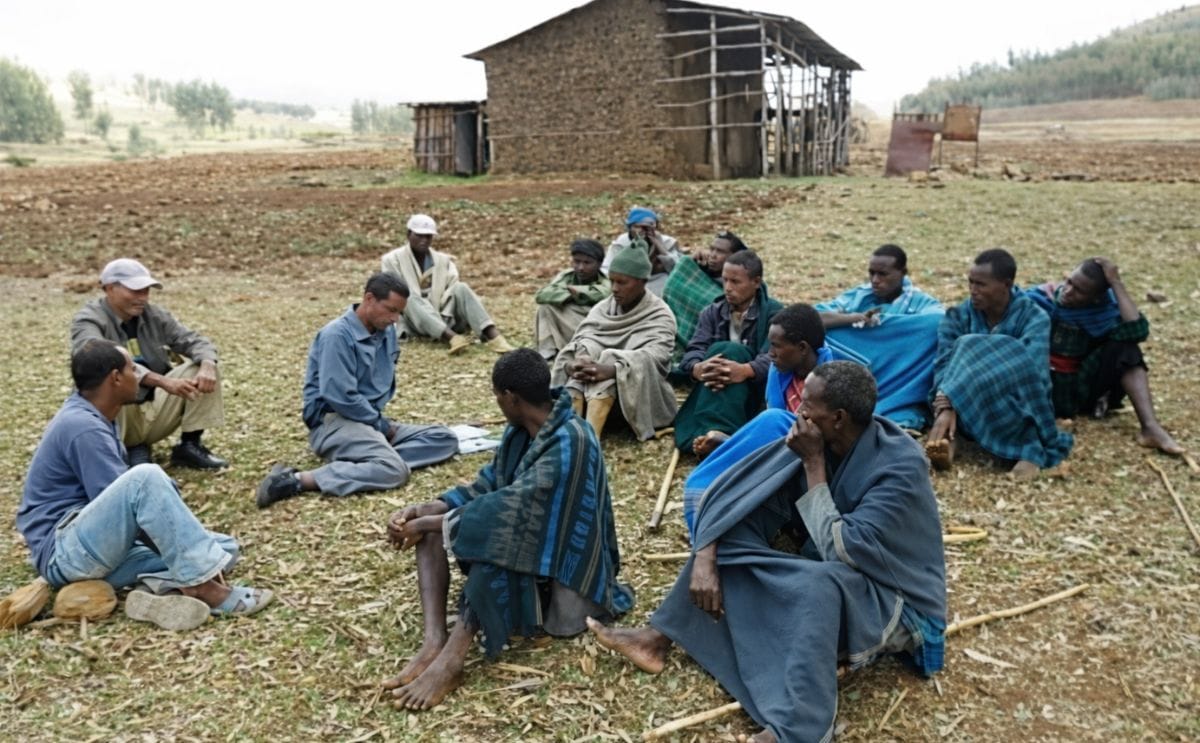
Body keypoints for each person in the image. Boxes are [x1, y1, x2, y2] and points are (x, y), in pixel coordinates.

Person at [589, 362, 946, 743]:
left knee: (821, 586)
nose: (798, 414)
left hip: (895, 598)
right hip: (830, 566)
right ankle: (656, 639)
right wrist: (707, 555)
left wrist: (812, 465)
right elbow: (737, 496)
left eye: (807, 407)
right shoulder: (817, 436)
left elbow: (842, 549)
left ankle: (798, 730)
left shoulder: (900, 467)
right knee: (733, 537)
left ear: (838, 418)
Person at [381, 349, 635, 710]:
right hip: (532, 550)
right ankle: (434, 641)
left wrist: (425, 521)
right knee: (441, 528)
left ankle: (452, 662)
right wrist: (426, 510)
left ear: (511, 398)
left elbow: (511, 512)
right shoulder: (520, 434)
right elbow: (486, 487)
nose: (497, 402)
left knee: (498, 541)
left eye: (497, 396)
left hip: (567, 575)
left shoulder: (573, 439)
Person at [17, 339, 271, 630]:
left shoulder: (95, 413)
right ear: (115, 378)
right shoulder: (82, 427)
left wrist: (185, 547)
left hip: (94, 546)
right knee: (146, 479)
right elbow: (131, 508)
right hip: (66, 551)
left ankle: (158, 589)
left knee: (223, 550)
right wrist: (188, 556)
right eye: (132, 369)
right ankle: (202, 589)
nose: (139, 375)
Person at [256, 273, 458, 507]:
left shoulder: (386, 330)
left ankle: (369, 459)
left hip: (368, 420)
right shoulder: (337, 335)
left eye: (399, 313)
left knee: (445, 438)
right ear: (369, 299)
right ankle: (295, 481)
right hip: (334, 421)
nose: (395, 319)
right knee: (394, 471)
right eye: (390, 310)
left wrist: (377, 424)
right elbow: (341, 396)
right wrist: (380, 425)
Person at [681, 303, 832, 536]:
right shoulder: (779, 370)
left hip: (812, 464)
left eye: (776, 346)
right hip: (783, 452)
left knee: (773, 421)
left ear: (802, 348)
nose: (770, 353)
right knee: (706, 482)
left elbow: (811, 436)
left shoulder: (831, 380)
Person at [927, 248, 1073, 479]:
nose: (973, 291)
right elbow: (943, 362)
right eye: (971, 283)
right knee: (952, 368)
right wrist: (946, 402)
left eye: (981, 285)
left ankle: (1028, 452)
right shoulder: (958, 315)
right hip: (964, 401)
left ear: (1006, 284)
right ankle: (951, 433)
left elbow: (1030, 369)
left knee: (968, 345)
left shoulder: (1034, 318)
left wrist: (960, 386)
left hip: (1012, 398)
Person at [70, 258, 227, 469]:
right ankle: (124, 449)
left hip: (152, 404)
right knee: (110, 378)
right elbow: (100, 358)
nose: (143, 298)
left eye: (146, 290)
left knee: (202, 367)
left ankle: (190, 446)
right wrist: (162, 381)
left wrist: (207, 364)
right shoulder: (88, 320)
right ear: (109, 288)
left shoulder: (153, 315)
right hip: (119, 412)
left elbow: (193, 340)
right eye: (135, 291)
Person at [1027, 257, 1183, 454]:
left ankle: (1150, 428)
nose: (1068, 291)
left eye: (1079, 291)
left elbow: (1137, 330)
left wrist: (1116, 283)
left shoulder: (1104, 312)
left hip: (1082, 390)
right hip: (1042, 389)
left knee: (1127, 349)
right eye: (1069, 282)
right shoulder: (1043, 298)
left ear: (1096, 298)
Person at [552, 247, 677, 439]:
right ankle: (574, 434)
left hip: (640, 402)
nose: (614, 288)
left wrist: (613, 368)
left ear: (643, 282)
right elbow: (586, 337)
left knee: (610, 362)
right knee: (582, 369)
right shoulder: (603, 307)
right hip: (589, 391)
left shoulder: (660, 314)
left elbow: (657, 357)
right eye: (611, 281)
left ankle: (589, 441)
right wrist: (579, 361)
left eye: (622, 282)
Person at [816, 244, 944, 430]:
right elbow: (813, 316)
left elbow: (939, 322)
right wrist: (854, 318)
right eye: (871, 273)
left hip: (898, 377)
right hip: (854, 375)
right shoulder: (860, 295)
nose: (875, 280)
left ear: (903, 273)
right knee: (824, 332)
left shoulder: (921, 303)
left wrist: (885, 326)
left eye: (883, 274)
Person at [673, 250, 782, 456]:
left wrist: (746, 370)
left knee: (730, 351)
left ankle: (717, 433)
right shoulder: (713, 311)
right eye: (724, 280)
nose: (728, 288)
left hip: (753, 391)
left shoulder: (774, 314)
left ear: (756, 282)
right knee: (722, 352)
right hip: (714, 385)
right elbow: (694, 350)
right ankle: (718, 434)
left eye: (735, 282)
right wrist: (699, 368)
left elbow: (778, 357)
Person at [380, 214, 513, 355]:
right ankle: (452, 337)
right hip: (414, 320)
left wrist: (436, 303)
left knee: (461, 287)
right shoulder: (391, 260)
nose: (423, 240)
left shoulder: (443, 260)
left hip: (444, 312)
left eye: (428, 236)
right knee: (406, 295)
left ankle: (494, 336)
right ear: (408, 234)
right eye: (419, 236)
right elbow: (393, 294)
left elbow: (452, 287)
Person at [662, 230, 747, 353]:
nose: (713, 255)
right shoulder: (690, 267)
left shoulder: (743, 285)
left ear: (735, 256)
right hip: (669, 336)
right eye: (712, 249)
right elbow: (670, 292)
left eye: (720, 252)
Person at [533, 238, 611, 361]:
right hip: (570, 323)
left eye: (587, 263)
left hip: (597, 329)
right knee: (546, 307)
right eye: (577, 261)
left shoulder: (606, 280)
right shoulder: (566, 276)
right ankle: (547, 353)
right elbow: (542, 295)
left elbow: (604, 294)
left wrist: (579, 293)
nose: (580, 267)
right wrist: (570, 296)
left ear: (599, 264)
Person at [601, 207, 683, 297]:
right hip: (627, 282)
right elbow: (606, 269)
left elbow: (678, 269)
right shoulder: (621, 243)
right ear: (629, 228)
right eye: (637, 227)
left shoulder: (667, 242)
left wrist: (659, 245)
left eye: (646, 227)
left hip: (658, 281)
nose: (641, 231)